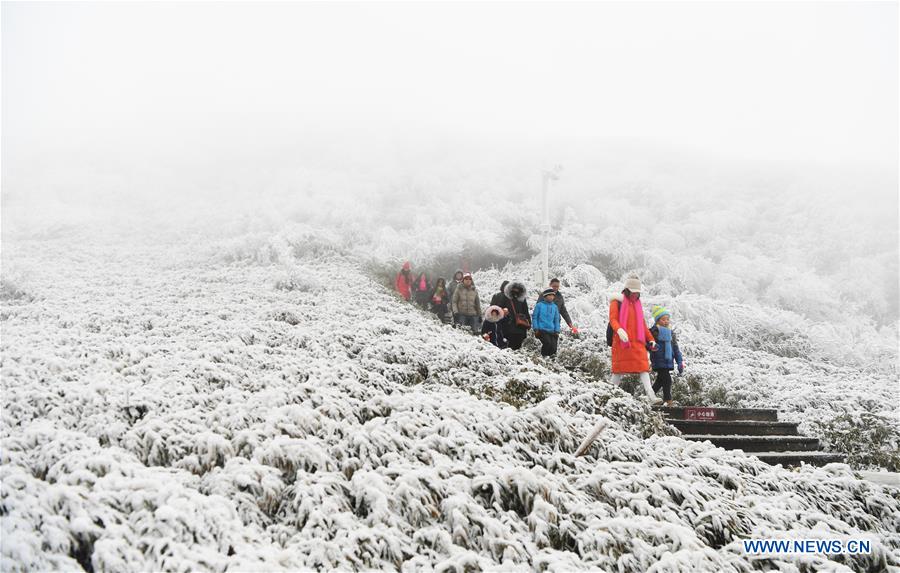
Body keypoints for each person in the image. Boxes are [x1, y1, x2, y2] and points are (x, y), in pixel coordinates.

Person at [609, 275, 657, 400]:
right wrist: (619, 330)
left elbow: (642, 324)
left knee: (644, 368)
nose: (635, 295)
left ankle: (651, 396)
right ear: (627, 290)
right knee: (618, 371)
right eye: (633, 292)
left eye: (637, 292)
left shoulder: (637, 304)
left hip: (638, 342)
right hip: (622, 342)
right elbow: (613, 319)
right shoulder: (616, 301)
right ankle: (608, 394)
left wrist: (651, 339)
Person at [649, 305, 684, 406]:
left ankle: (648, 397)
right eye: (663, 319)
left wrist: (680, 361)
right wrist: (652, 347)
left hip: (668, 361)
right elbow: (648, 344)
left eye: (667, 319)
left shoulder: (671, 333)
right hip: (658, 360)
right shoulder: (654, 331)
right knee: (667, 379)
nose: (666, 321)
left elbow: (676, 349)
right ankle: (668, 400)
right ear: (657, 320)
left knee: (660, 381)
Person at [532, 288, 561, 357]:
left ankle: (551, 360)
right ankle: (543, 357)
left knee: (554, 348)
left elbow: (556, 320)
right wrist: (536, 328)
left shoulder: (555, 307)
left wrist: (557, 330)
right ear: (545, 297)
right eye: (549, 295)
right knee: (547, 343)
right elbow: (535, 317)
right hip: (542, 330)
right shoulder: (539, 305)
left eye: (552, 295)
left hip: (552, 330)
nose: (551, 297)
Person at [503, 281, 531, 350]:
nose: (516, 290)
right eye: (514, 288)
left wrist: (529, 322)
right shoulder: (506, 298)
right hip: (510, 325)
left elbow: (525, 311)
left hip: (520, 325)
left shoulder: (522, 299)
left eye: (517, 289)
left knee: (518, 344)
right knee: (511, 344)